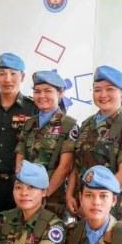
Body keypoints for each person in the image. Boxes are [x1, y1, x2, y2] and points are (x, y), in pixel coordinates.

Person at [67, 65, 122, 223]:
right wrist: (70, 194)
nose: (103, 95)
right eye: (97, 89)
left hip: (112, 211)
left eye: (110, 89)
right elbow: (77, 165)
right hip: (83, 206)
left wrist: (95, 203)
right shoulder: (87, 124)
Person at [0, 53, 38, 223]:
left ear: (23, 76)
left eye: (13, 73)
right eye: (2, 73)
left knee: (18, 231)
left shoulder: (33, 109)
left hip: (21, 183)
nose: (7, 79)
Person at [15, 71, 78, 219]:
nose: (42, 96)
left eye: (48, 91)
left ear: (60, 93)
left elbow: (65, 167)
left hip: (52, 198)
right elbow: (20, 157)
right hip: (26, 196)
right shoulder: (29, 123)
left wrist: (43, 194)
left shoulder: (68, 125)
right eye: (37, 91)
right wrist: (22, 189)